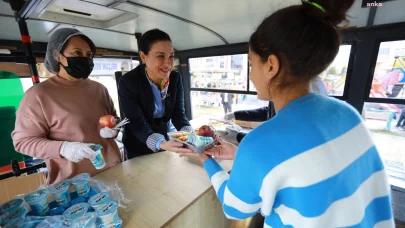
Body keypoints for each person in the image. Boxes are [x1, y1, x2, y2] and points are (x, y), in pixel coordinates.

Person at [178, 1, 394, 227]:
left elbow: (235, 208)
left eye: (251, 63)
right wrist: (242, 155)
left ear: (271, 65)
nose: (251, 75)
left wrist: (206, 159)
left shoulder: (261, 142)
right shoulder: (348, 115)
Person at [12, 28, 122, 185]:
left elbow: (113, 119)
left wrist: (114, 129)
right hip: (74, 183)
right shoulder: (38, 95)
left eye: (89, 55)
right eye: (77, 52)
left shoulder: (99, 89)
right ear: (57, 56)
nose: (84, 58)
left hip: (114, 171)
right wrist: (63, 148)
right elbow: (23, 142)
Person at [118, 29, 193, 158]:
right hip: (137, 143)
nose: (168, 63)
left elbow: (178, 115)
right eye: (160, 56)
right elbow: (137, 123)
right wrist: (161, 143)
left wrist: (190, 135)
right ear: (143, 56)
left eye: (171, 56)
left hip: (164, 139)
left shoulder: (175, 79)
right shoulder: (128, 82)